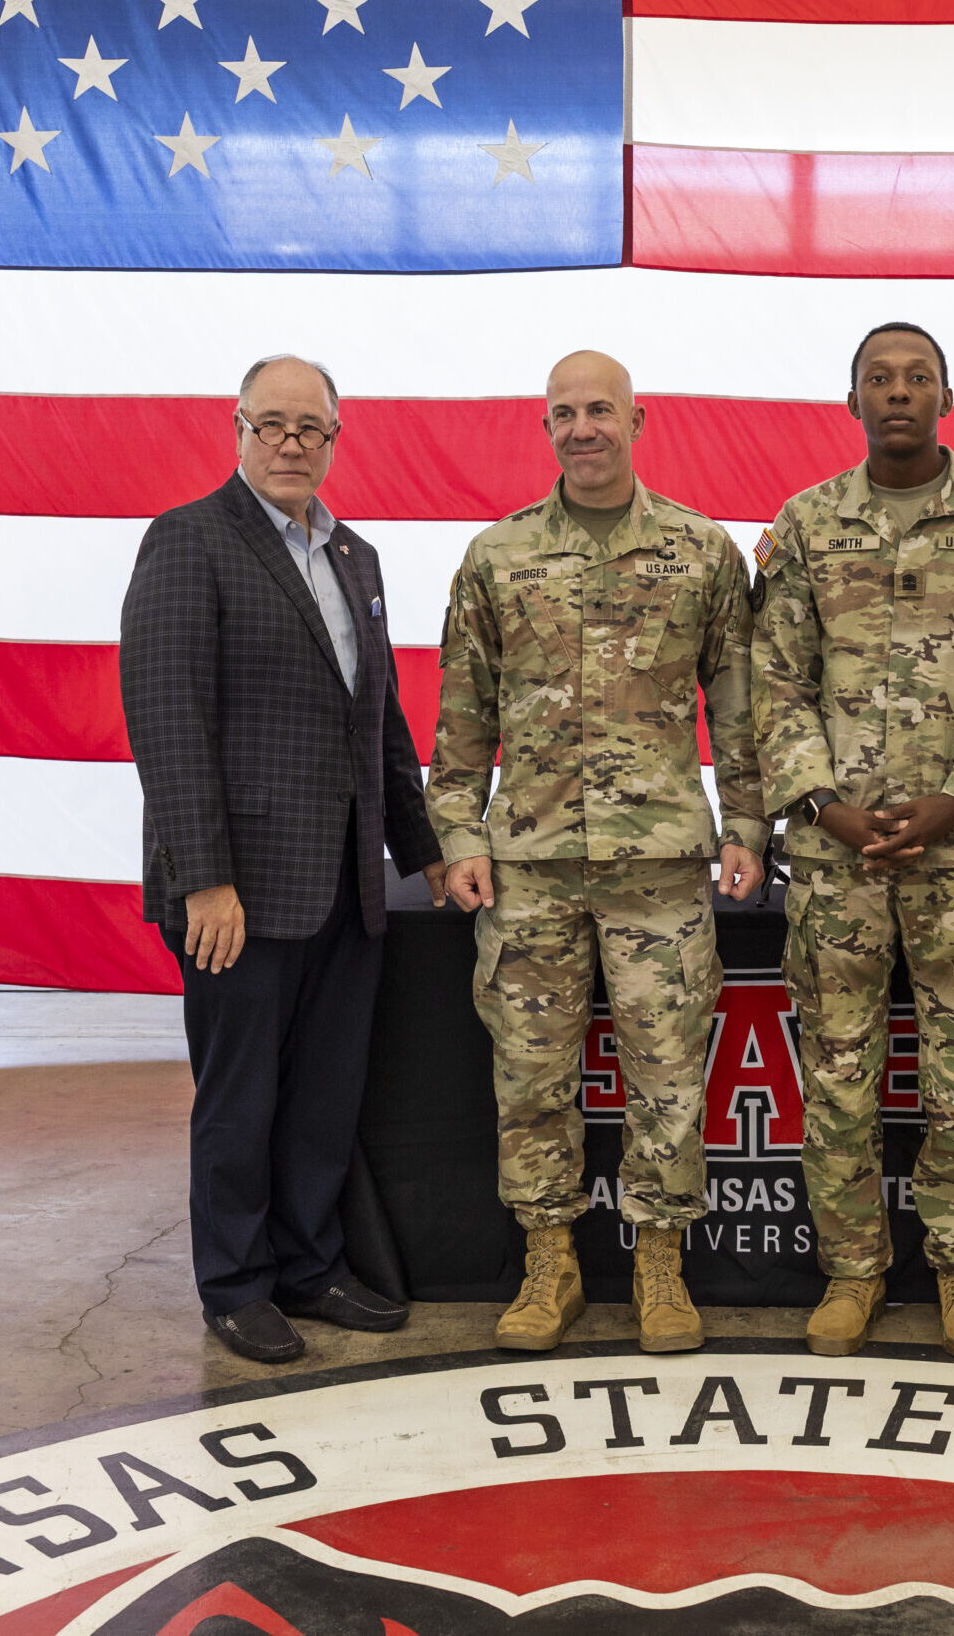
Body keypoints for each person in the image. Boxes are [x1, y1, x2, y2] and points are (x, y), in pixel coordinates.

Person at [428, 350, 768, 1356]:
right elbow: (460, 720)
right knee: (532, 1078)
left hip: (658, 867)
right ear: (546, 428)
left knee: (666, 1074)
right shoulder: (497, 558)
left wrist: (747, 824)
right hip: (528, 862)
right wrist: (457, 832)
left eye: (600, 411)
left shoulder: (702, 554)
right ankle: (552, 1265)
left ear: (637, 420)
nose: (582, 428)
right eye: (564, 413)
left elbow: (738, 709)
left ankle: (659, 1266)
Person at [120, 355, 446, 1364]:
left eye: (312, 428)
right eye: (273, 424)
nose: (293, 443)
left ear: (336, 438)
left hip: (346, 887)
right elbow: (166, 721)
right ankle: (235, 1282)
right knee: (240, 1096)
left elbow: (380, 726)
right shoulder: (188, 541)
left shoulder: (355, 557)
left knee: (321, 1096)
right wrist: (203, 878)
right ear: (238, 430)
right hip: (238, 893)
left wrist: (427, 856)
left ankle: (311, 1266)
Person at [751, 321, 954, 1359]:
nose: (898, 393)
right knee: (838, 1076)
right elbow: (775, 677)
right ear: (851, 403)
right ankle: (852, 1273)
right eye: (878, 379)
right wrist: (820, 802)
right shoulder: (804, 525)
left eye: (916, 377)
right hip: (837, 859)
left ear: (945, 395)